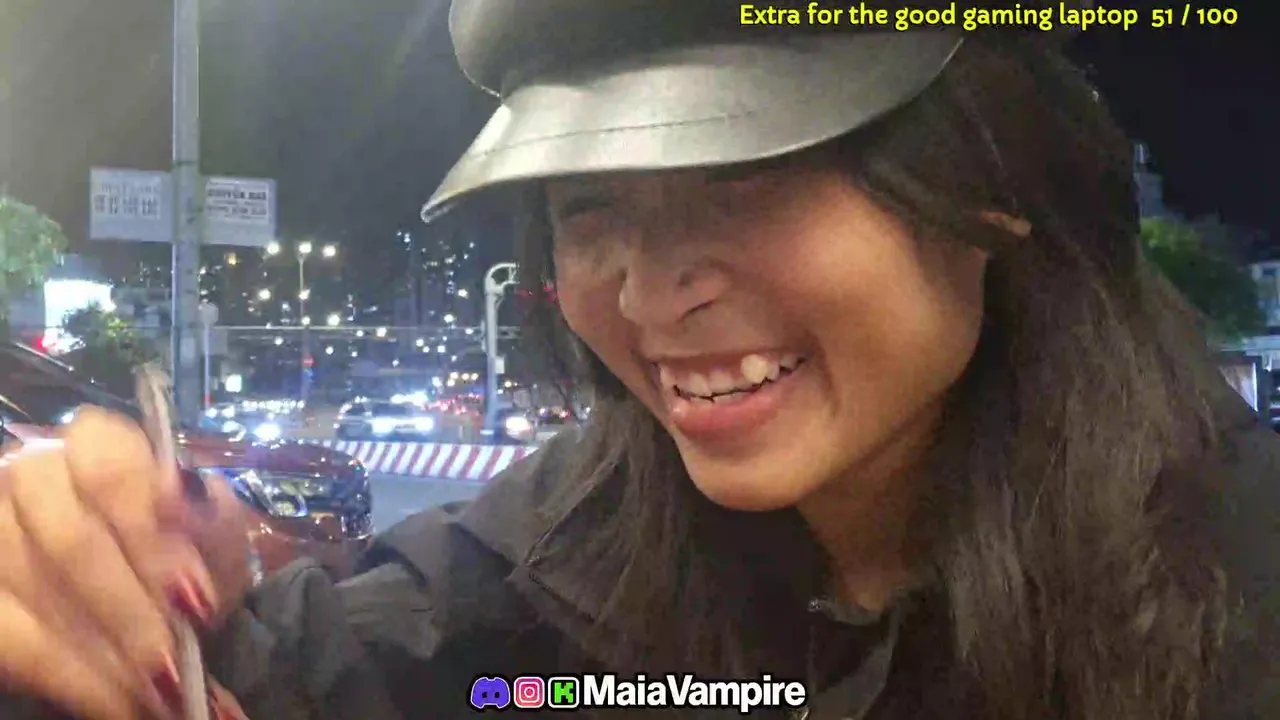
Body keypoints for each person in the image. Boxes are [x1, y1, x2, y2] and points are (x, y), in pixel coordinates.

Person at [0, 2, 1276, 718]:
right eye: (590, 206)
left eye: (745, 180)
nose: (649, 290)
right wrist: (82, 603)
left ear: (993, 188)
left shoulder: (1238, 582)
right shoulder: (562, 551)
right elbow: (282, 677)